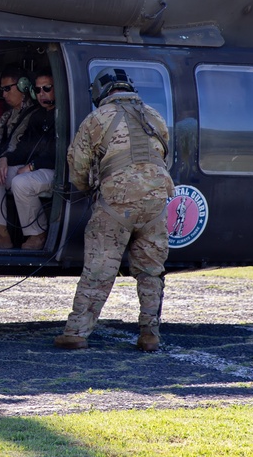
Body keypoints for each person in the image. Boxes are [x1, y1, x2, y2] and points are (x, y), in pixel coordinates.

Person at [55, 68, 174, 352]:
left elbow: (78, 165)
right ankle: (150, 334)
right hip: (157, 201)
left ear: (101, 93)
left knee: (100, 266)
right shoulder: (154, 116)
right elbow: (164, 156)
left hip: (117, 203)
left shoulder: (97, 118)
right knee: (151, 270)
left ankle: (77, 332)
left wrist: (86, 187)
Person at [0, 70, 57, 250]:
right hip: (32, 169)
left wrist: (32, 166)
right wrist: (5, 160)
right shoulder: (37, 116)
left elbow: (58, 153)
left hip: (54, 170)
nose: (41, 94)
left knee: (21, 182)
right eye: (38, 89)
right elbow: (23, 147)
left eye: (47, 89)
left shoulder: (65, 115)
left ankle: (37, 235)